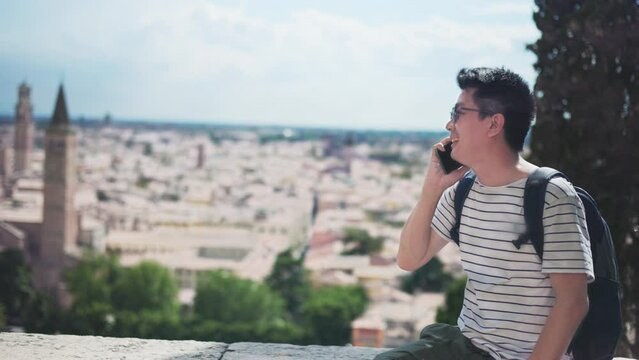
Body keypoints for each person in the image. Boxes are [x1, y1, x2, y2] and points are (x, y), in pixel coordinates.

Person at [374, 67, 594, 360]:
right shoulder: (461, 193)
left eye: (458, 113)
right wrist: (432, 187)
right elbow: (409, 259)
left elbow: (573, 302)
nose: (448, 124)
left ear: (493, 124)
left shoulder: (551, 196)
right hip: (466, 347)